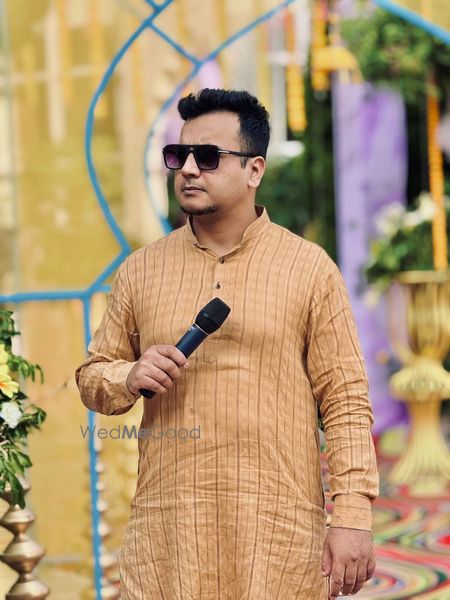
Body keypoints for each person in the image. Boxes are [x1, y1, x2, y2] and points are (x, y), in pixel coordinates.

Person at [76, 88, 379, 600]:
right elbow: (92, 376)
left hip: (276, 530)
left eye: (208, 156)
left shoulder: (309, 269)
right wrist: (127, 375)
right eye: (179, 155)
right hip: (171, 534)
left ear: (254, 169)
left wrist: (352, 514)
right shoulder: (141, 270)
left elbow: (345, 400)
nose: (189, 169)